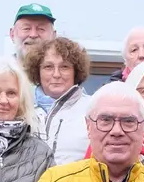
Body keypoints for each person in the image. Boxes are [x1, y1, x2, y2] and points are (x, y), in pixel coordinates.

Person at [24, 36, 95, 166]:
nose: (56, 74)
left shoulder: (93, 108)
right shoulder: (21, 108)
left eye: (64, 67)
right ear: (37, 71)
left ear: (76, 72)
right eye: (48, 67)